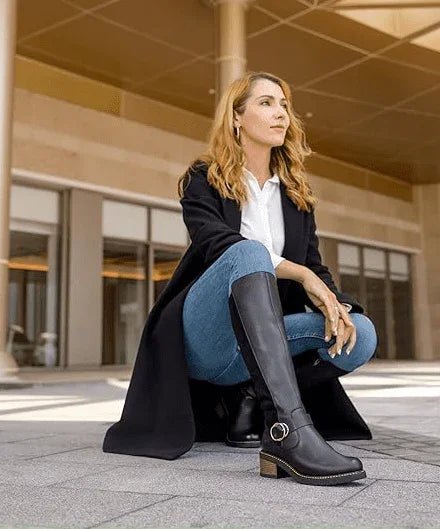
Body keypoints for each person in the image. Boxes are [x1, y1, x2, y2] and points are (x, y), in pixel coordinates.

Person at [102, 71, 378, 486]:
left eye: (284, 104)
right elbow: (218, 244)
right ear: (236, 117)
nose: (281, 113)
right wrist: (300, 274)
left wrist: (333, 302)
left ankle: (251, 393)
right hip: (206, 338)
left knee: (362, 334)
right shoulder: (203, 179)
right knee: (245, 251)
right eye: (266, 103)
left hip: (262, 339)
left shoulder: (296, 196)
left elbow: (315, 266)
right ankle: (287, 430)